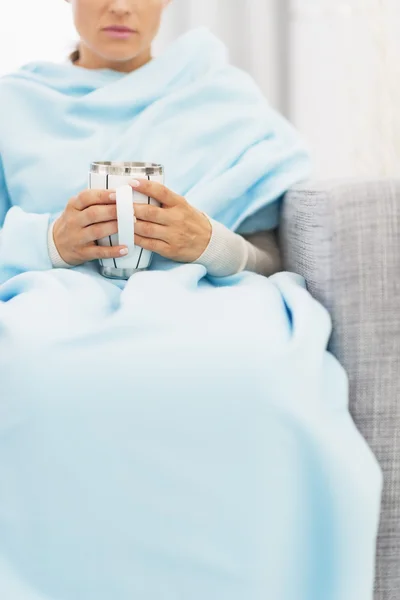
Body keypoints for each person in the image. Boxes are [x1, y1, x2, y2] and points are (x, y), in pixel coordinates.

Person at [0, 2, 382, 600]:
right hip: (55, 297)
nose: (121, 6)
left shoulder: (220, 96)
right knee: (30, 375)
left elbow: (270, 256)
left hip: (206, 293)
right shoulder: (15, 106)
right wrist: (46, 240)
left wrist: (210, 243)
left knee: (266, 379)